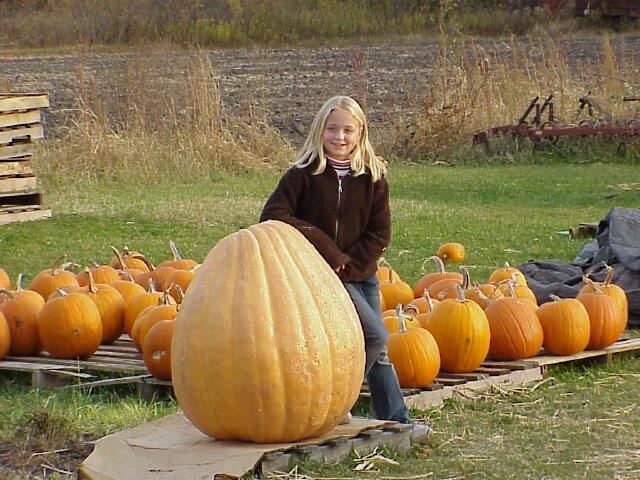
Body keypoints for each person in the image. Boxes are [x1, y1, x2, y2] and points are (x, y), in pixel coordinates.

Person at [259, 95, 412, 424]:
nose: (339, 138)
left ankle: (394, 420)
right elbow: (273, 216)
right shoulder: (302, 175)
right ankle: (330, 400)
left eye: (347, 130)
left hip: (360, 275)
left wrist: (351, 265)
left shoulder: (372, 178)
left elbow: (379, 232)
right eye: (332, 129)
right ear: (319, 131)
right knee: (375, 337)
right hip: (318, 276)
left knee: (377, 348)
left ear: (360, 134)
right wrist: (329, 253)